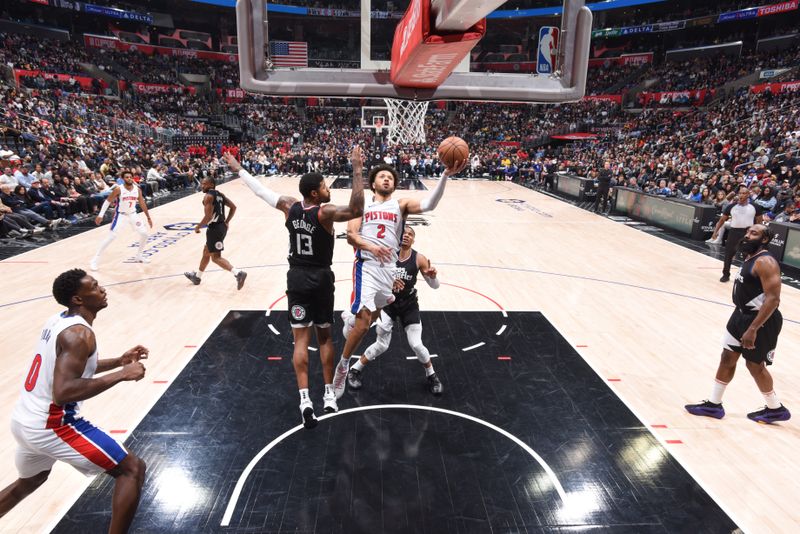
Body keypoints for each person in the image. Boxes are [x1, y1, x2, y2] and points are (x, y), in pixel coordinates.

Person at [223, 147, 365, 428]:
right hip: (321, 278)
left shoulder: (290, 206)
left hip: (296, 278)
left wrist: (239, 169)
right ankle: (328, 395)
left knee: (300, 340)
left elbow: (260, 191)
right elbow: (357, 209)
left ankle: (304, 400)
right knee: (324, 337)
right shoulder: (325, 212)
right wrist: (358, 169)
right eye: (325, 186)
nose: (328, 189)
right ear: (315, 193)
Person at [0, 269, 148, 532]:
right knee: (132, 469)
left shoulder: (58, 320)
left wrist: (118, 361)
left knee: (27, 483)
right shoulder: (80, 335)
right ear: (78, 299)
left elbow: (70, 368)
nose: (102, 289)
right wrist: (122, 374)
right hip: (52, 425)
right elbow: (64, 392)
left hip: (24, 420)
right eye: (95, 286)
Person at [335, 154, 467, 399]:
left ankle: (350, 318)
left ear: (394, 186)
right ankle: (344, 366)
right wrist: (372, 247)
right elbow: (351, 236)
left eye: (390, 178)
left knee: (379, 309)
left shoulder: (400, 205)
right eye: (381, 176)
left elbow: (429, 205)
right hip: (367, 264)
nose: (386, 179)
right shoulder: (361, 206)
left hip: (388, 271)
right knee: (365, 324)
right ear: (372, 183)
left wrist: (445, 176)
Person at [685, 225, 791, 424]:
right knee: (727, 356)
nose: (748, 235)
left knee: (754, 365)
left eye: (754, 233)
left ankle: (775, 408)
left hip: (760, 321)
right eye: (748, 232)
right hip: (739, 316)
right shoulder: (750, 256)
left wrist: (753, 329)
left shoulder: (766, 262)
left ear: (765, 239)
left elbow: (773, 299)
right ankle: (714, 404)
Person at [347, 226, 443, 395]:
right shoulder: (386, 254)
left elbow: (434, 286)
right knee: (381, 345)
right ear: (397, 236)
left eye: (410, 234)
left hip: (409, 305)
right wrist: (387, 282)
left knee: (416, 344)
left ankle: (432, 375)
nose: (406, 236)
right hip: (388, 304)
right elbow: (373, 277)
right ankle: (354, 370)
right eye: (404, 233)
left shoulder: (419, 258)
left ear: (413, 239)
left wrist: (433, 277)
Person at [184, 176, 247, 290]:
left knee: (216, 258)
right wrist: (226, 221)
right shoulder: (219, 194)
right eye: (202, 183)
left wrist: (198, 226)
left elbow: (208, 217)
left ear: (211, 185)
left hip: (214, 229)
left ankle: (238, 273)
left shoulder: (208, 196)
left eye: (204, 184)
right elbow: (233, 207)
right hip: (221, 227)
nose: (202, 186)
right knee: (206, 251)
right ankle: (197, 277)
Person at [90, 171, 153, 271]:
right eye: (127, 177)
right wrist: (100, 215)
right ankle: (94, 260)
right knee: (111, 237)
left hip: (133, 214)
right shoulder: (119, 189)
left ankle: (139, 256)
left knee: (144, 234)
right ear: (123, 179)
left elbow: (142, 203)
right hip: (121, 215)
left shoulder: (137, 189)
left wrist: (148, 217)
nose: (129, 178)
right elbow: (107, 201)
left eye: (130, 177)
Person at [710, 185, 762, 282]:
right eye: (740, 193)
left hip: (748, 233)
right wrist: (715, 232)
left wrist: (760, 235)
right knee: (728, 255)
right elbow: (722, 220)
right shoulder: (731, 206)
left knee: (747, 256)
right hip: (734, 232)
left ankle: (747, 277)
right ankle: (725, 275)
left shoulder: (755, 207)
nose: (741, 195)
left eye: (744, 193)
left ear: (748, 194)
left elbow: (760, 223)